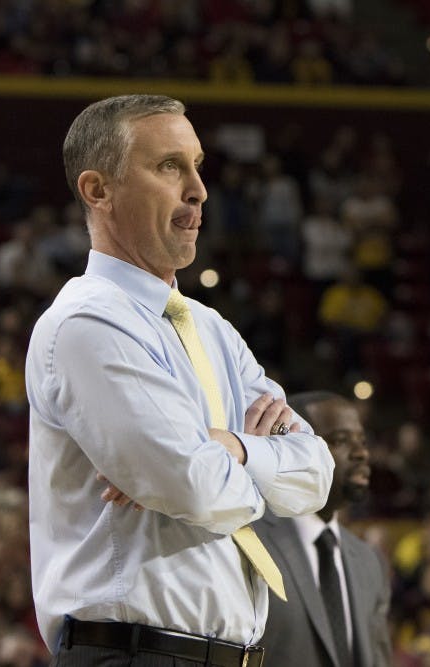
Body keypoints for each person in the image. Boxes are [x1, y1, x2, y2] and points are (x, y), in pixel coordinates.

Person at [25, 94, 334, 666]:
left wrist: (231, 448)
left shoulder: (210, 327)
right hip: (133, 653)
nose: (199, 189)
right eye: (169, 166)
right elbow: (193, 484)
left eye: (197, 165)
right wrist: (234, 464)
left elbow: (317, 473)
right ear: (98, 190)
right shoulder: (86, 323)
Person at [253, 391, 392, 667]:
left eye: (363, 442)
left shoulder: (369, 561)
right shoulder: (251, 541)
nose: (361, 453)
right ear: (296, 449)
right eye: (340, 440)